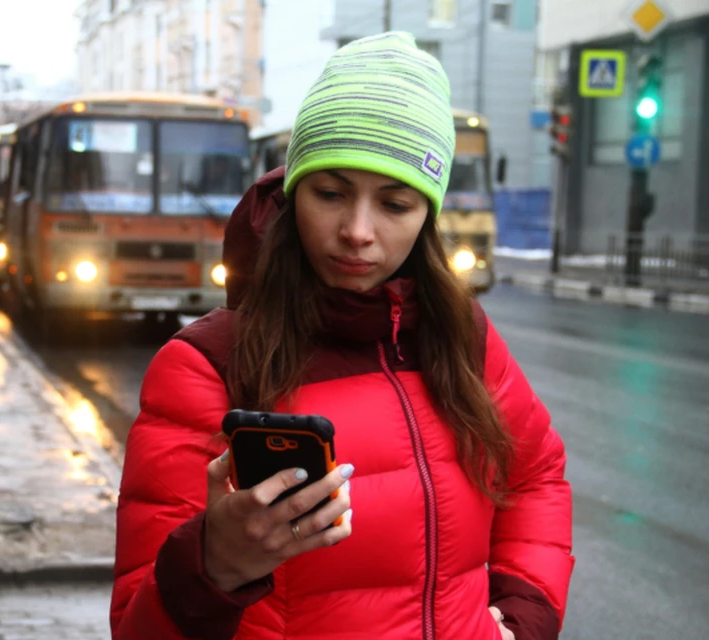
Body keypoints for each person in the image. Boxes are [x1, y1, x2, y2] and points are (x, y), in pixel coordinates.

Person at [111, 33, 574, 640]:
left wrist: (524, 616)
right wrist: (212, 567)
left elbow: (536, 476)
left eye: (396, 203)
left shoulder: (462, 335)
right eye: (330, 193)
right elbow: (136, 629)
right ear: (293, 191)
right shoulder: (206, 366)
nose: (357, 231)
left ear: (427, 217)